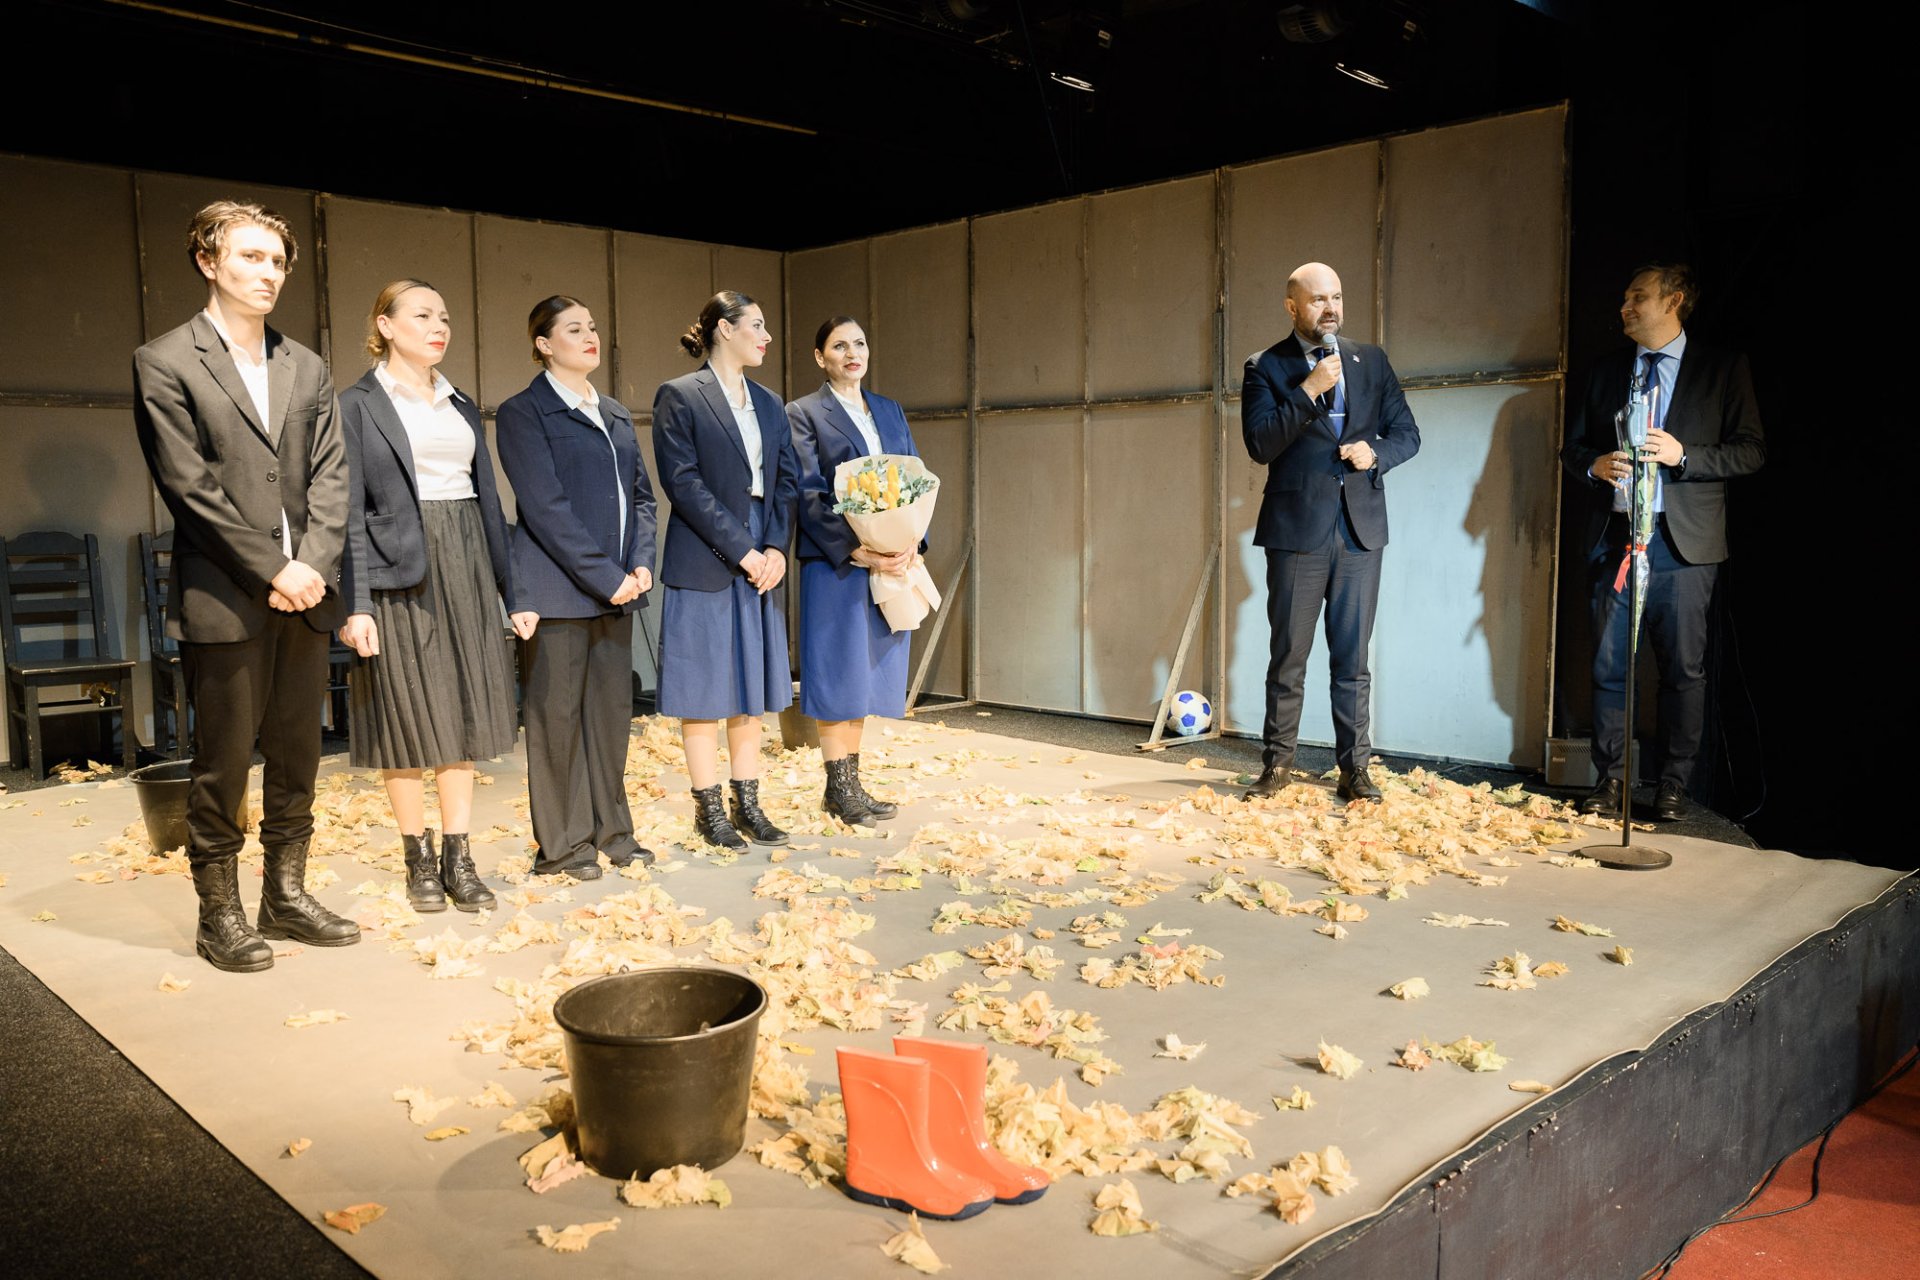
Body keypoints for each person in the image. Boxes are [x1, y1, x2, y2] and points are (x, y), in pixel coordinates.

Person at [132, 200, 360, 972]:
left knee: (299, 755)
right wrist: (275, 568)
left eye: (278, 262)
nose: (269, 274)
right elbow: (188, 487)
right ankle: (218, 914)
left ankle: (285, 896)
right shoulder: (165, 360)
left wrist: (312, 566)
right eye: (251, 257)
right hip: (226, 596)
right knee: (223, 762)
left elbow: (332, 476)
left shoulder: (307, 365)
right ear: (208, 262)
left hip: (307, 595)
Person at [337, 280, 537, 912]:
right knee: (404, 711)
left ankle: (459, 855)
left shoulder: (459, 402)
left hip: (467, 558)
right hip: (397, 568)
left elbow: (488, 501)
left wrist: (512, 591)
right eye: (422, 315)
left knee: (464, 706)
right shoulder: (357, 405)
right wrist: (356, 603)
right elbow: (346, 512)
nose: (438, 327)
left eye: (444, 317)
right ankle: (417, 858)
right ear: (385, 325)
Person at [1561, 263, 1765, 820]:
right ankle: (1611, 780)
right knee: (1609, 667)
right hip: (1615, 542)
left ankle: (1673, 785)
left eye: (1638, 297)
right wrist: (1594, 465)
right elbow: (1572, 448)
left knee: (1682, 671)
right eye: (1625, 297)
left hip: (1683, 547)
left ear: (1674, 301)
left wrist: (1685, 456)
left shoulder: (1721, 369)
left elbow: (1751, 450)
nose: (1624, 307)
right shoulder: (1607, 370)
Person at [1240, 261, 1421, 803]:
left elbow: (1407, 433)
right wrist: (1309, 389)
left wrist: (1376, 453)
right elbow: (1260, 445)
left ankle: (1355, 771)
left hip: (1360, 530)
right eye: (1318, 299)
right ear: (1292, 306)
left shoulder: (1372, 360)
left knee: (1352, 661)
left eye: (1337, 297)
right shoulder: (1265, 366)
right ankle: (1278, 766)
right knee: (1289, 656)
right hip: (1297, 530)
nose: (1331, 308)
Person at [495, 296, 657, 879]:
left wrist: (640, 563)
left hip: (618, 588)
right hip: (560, 589)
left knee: (610, 720)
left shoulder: (612, 412)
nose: (590, 336)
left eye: (592, 327)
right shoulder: (523, 413)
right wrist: (607, 577)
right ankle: (563, 847)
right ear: (544, 344)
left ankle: (614, 832)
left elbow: (641, 497)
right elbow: (546, 509)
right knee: (557, 722)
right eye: (573, 329)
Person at [652, 291, 799, 851]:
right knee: (702, 688)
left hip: (761, 550)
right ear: (723, 329)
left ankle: (748, 802)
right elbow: (682, 483)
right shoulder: (681, 395)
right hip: (707, 553)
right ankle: (708, 809)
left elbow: (786, 481)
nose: (765, 337)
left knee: (749, 685)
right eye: (756, 326)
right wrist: (744, 551)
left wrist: (775, 548)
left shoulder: (770, 402)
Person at [787, 317, 917, 825]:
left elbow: (914, 477)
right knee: (837, 672)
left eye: (859, 343)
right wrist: (855, 549)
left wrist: (911, 539)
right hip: (836, 561)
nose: (852, 353)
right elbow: (807, 492)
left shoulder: (888, 408)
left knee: (865, 674)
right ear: (821, 357)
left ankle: (850, 786)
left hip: (889, 557)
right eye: (839, 346)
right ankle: (838, 788)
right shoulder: (803, 413)